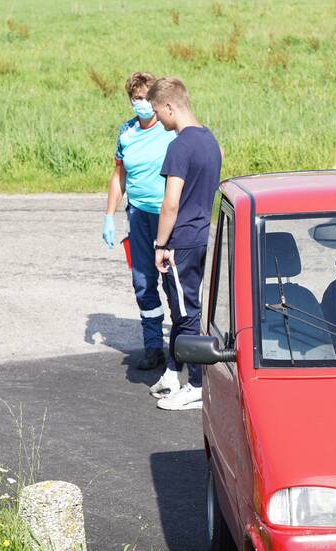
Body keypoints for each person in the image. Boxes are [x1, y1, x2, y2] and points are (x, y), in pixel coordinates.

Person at [146, 77, 222, 411]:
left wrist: (160, 244)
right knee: (183, 307)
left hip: (181, 241)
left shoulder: (179, 146)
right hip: (201, 235)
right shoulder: (210, 141)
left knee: (186, 313)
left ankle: (196, 385)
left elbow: (171, 202)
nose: (156, 119)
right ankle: (173, 372)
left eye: (156, 112)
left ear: (170, 106)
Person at [103, 72, 178, 371]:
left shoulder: (169, 128)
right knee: (143, 282)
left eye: (146, 98)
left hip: (167, 216)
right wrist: (109, 215)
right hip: (138, 216)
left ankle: (181, 345)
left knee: (172, 281)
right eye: (136, 99)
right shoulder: (126, 132)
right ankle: (152, 347)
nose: (141, 104)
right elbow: (119, 176)